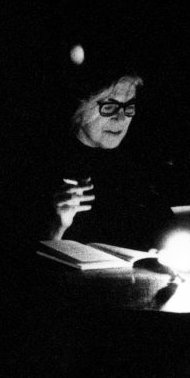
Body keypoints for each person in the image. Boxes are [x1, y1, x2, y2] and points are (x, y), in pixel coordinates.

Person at [45, 70, 171, 248]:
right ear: (81, 106)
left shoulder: (134, 166)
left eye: (129, 106)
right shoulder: (46, 164)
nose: (121, 117)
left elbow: (165, 226)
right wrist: (56, 228)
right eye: (109, 106)